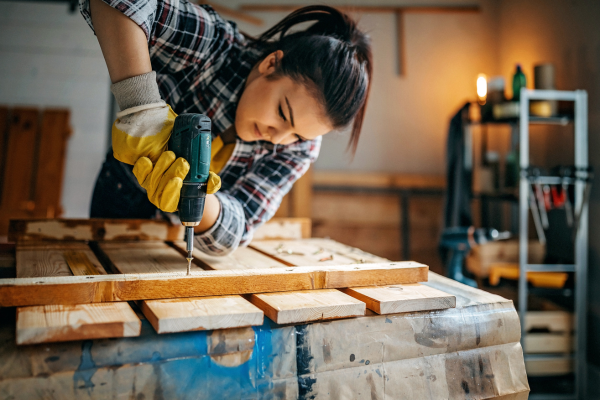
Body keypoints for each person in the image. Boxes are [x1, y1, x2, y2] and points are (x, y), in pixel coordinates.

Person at [81, 0, 372, 255]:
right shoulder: (214, 44)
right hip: (123, 190)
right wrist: (143, 107)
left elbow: (240, 225)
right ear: (271, 64)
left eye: (297, 135)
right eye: (283, 113)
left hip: (184, 235)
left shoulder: (301, 149)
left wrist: (195, 199)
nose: (278, 139)